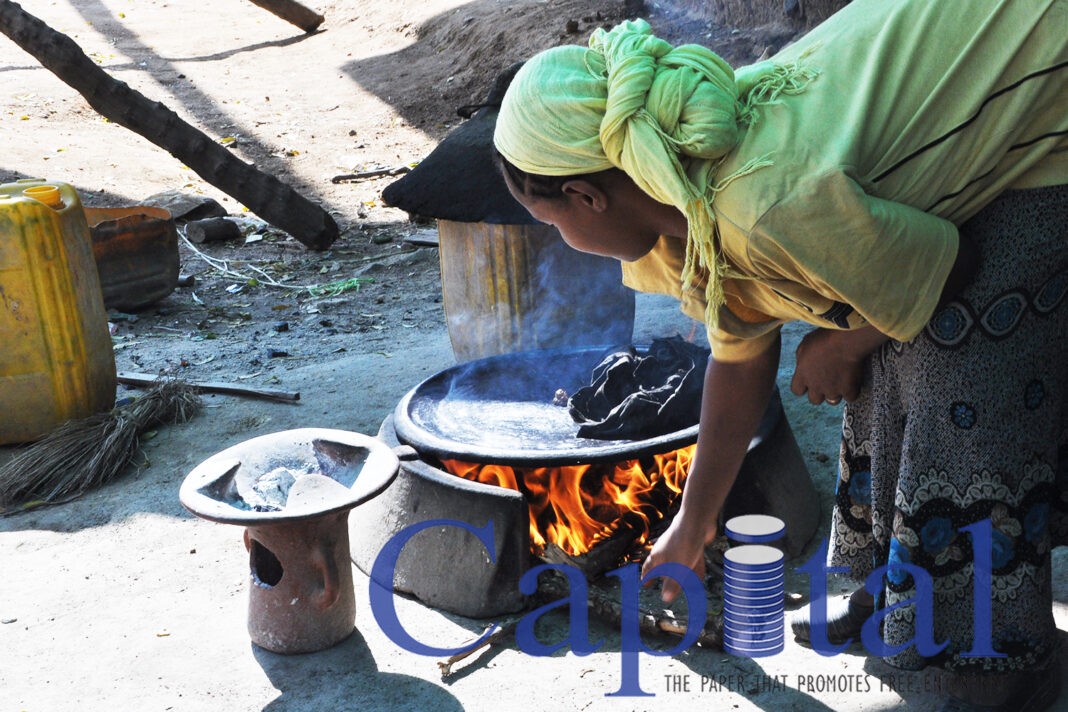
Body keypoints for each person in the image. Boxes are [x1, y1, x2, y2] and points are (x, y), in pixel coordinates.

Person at [492, 1, 1068, 710]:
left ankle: (1001, 661)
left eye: (552, 223)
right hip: (975, 75)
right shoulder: (683, 197)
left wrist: (842, 341)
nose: (560, 238)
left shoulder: (764, 205)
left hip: (1047, 85)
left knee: (958, 369)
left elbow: (950, 267)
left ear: (586, 195)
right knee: (877, 321)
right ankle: (905, 598)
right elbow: (738, 358)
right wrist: (692, 523)